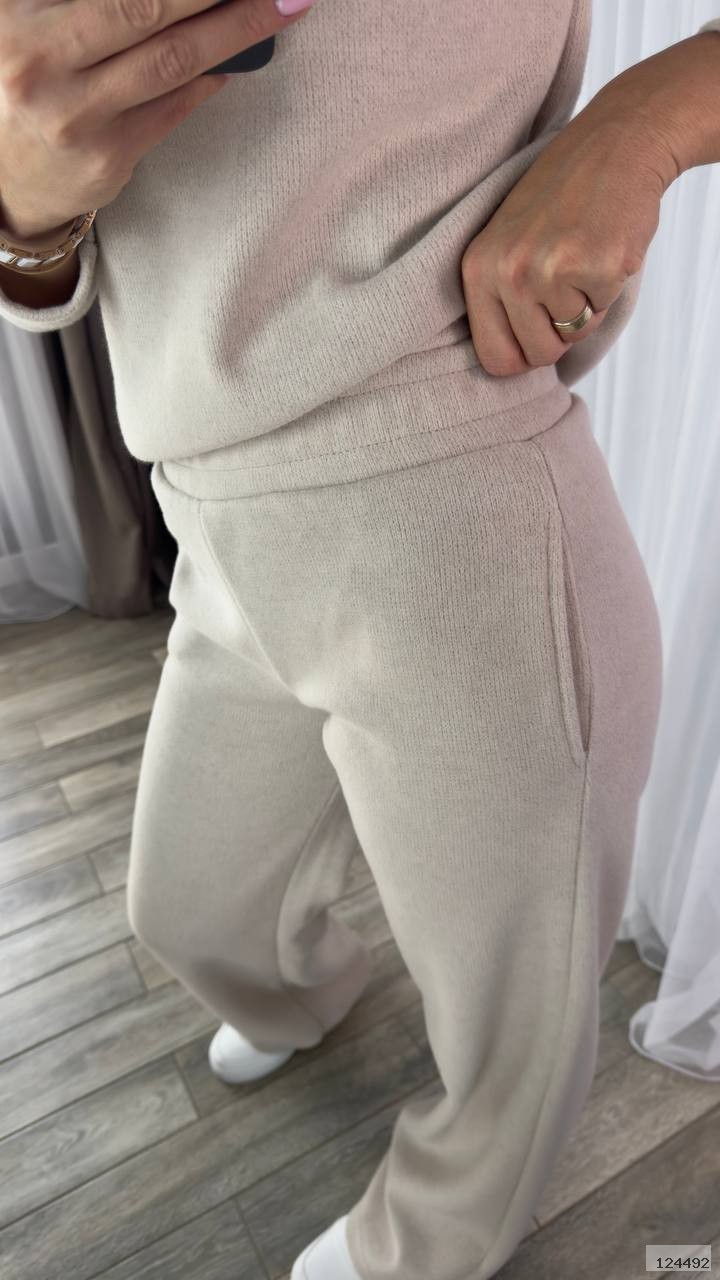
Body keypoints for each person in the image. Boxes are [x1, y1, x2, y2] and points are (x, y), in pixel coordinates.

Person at [1, 3, 718, 1277]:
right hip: (210, 508)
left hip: (457, 503)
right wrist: (25, 215)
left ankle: (437, 1240)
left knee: (512, 1019)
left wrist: (645, 123)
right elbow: (67, 228)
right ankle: (303, 989)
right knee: (187, 907)